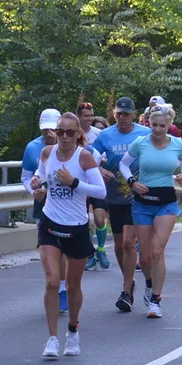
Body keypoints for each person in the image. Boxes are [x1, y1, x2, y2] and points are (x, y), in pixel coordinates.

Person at [30, 113, 106, 356]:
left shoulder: (84, 157)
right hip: (50, 223)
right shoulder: (47, 153)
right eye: (60, 131)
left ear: (78, 135)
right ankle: (52, 339)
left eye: (70, 132)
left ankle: (73, 331)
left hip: (76, 227)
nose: (63, 137)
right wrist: (36, 185)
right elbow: (41, 176)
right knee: (53, 281)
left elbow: (100, 191)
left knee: (73, 285)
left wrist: (74, 183)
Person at [120, 106, 182, 318]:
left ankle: (156, 300)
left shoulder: (177, 144)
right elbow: (124, 165)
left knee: (158, 250)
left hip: (166, 203)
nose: (158, 129)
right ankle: (149, 283)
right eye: (154, 125)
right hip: (142, 202)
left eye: (162, 126)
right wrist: (132, 182)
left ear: (169, 125)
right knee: (145, 257)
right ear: (148, 123)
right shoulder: (140, 142)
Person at [92, 98, 150, 312]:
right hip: (114, 195)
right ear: (114, 114)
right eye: (119, 114)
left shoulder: (144, 134)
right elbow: (90, 158)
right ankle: (129, 280)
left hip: (137, 195)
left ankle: (126, 290)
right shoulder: (105, 135)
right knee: (117, 244)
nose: (123, 117)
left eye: (126, 113)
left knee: (128, 243)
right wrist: (98, 170)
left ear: (134, 114)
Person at [23, 109, 64, 308]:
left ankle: (63, 286)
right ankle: (54, 283)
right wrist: (34, 190)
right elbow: (26, 176)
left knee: (63, 249)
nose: (48, 133)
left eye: (52, 129)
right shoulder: (32, 147)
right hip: (42, 205)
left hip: (66, 206)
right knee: (47, 248)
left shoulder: (71, 146)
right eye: (44, 129)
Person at [78, 102, 111, 270]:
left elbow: (103, 157)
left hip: (97, 183)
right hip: (80, 186)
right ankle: (90, 253)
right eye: (86, 116)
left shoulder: (99, 134)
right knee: (84, 221)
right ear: (79, 117)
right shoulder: (73, 134)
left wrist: (101, 168)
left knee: (99, 219)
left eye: (91, 116)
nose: (89, 119)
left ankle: (101, 249)